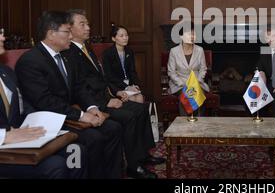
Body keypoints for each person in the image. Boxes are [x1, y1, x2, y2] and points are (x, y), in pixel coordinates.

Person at [15, 11, 123, 179]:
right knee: (93, 138)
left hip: (68, 114)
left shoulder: (66, 56)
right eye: (67, 31)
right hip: (49, 121)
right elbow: (45, 102)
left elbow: (79, 87)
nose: (71, 35)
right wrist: (81, 116)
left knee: (113, 128)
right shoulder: (31, 61)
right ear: (51, 34)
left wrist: (92, 107)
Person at [63, 9, 163, 179]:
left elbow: (101, 79)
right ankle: (133, 166)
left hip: (106, 97)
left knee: (141, 109)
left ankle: (142, 155)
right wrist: (105, 103)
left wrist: (114, 95)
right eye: (83, 24)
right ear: (70, 29)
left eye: (88, 24)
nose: (88, 28)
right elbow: (81, 87)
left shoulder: (86, 48)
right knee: (130, 116)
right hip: (92, 104)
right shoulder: (70, 52)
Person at [0, 27, 87, 179]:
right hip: (5, 151)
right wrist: (3, 136)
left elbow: (23, 104)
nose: (3, 38)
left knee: (76, 150)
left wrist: (42, 124)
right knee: (56, 166)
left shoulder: (6, 72)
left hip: (20, 141)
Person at [167, 23, 209, 115]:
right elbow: (171, 72)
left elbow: (203, 69)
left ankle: (200, 124)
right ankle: (184, 125)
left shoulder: (200, 50)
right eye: (189, 34)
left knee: (199, 95)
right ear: (181, 37)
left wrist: (198, 81)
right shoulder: (174, 51)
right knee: (185, 95)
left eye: (193, 34)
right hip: (180, 83)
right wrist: (183, 84)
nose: (192, 36)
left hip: (196, 82)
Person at [102, 24, 144, 103]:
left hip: (130, 85)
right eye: (121, 36)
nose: (125, 38)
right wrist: (126, 87)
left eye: (126, 35)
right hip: (116, 86)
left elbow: (132, 71)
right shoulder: (108, 54)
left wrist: (135, 84)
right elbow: (110, 77)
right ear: (113, 38)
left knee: (139, 97)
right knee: (131, 98)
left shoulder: (129, 51)